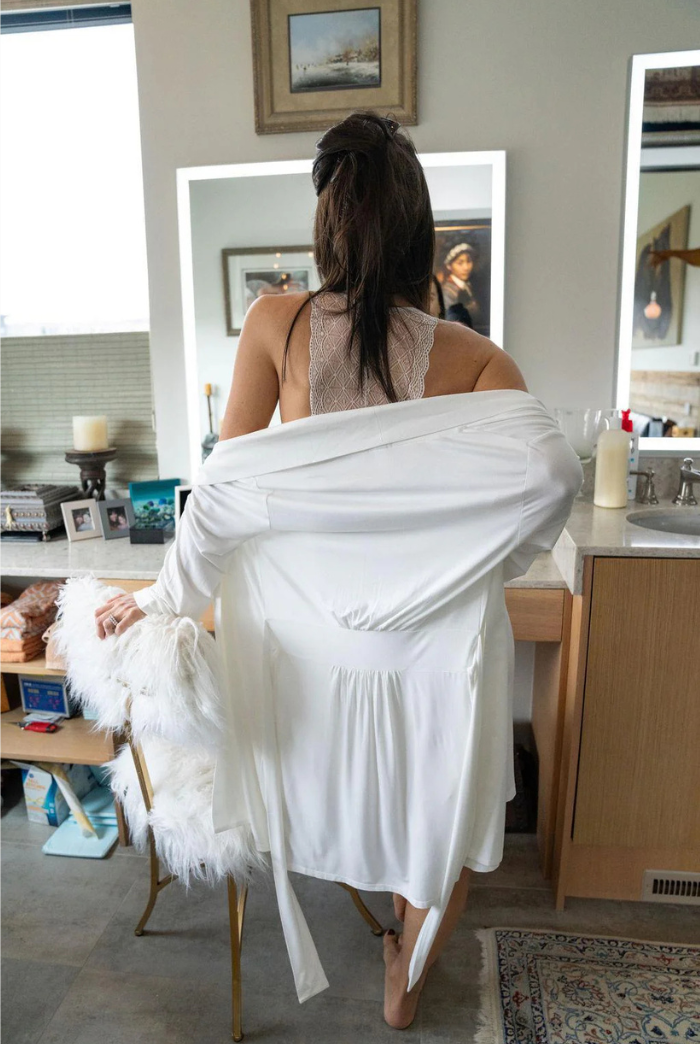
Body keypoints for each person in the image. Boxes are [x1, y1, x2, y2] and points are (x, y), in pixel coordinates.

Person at [93, 111, 556, 1031]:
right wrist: (467, 566)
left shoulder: (278, 322)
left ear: (328, 225)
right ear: (421, 233)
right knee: (438, 828)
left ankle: (366, 913)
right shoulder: (477, 359)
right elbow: (547, 479)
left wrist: (162, 598)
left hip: (308, 654)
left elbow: (224, 490)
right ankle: (403, 983)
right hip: (427, 657)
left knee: (349, 786)